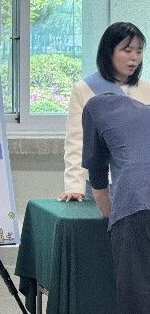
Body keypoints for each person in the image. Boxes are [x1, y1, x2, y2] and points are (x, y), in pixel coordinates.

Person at [82, 92, 150, 314]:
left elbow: (97, 173)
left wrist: (111, 214)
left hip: (136, 207)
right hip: (138, 201)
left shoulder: (94, 108)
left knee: (137, 300)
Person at [59, 22, 150, 202]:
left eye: (139, 51)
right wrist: (74, 186)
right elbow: (76, 142)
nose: (134, 58)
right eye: (127, 50)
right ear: (109, 52)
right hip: (99, 185)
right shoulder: (84, 89)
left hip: (139, 185)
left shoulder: (146, 90)